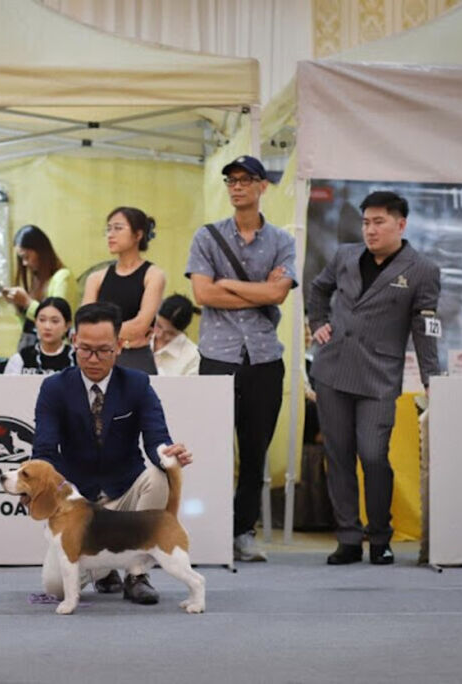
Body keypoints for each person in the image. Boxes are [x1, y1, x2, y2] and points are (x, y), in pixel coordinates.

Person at [308, 190, 441, 566]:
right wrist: (318, 322)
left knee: (373, 455)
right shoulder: (345, 255)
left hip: (379, 377)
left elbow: (425, 328)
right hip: (332, 370)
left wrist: (432, 378)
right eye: (366, 222)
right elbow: (318, 289)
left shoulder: (422, 269)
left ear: (401, 224)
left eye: (379, 222)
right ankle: (349, 538)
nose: (370, 230)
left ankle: (380, 537)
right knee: (338, 457)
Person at [31, 302, 192, 605]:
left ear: (119, 345)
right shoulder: (54, 388)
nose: (93, 359)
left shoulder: (138, 384)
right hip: (79, 505)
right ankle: (104, 570)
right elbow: (45, 450)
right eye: (85, 349)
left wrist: (168, 454)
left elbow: (156, 437)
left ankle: (135, 574)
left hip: (125, 493)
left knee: (158, 477)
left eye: (103, 351)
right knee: (55, 588)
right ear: (74, 341)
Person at [185, 155, 297, 563]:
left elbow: (278, 294)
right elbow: (203, 294)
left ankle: (242, 531)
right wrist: (256, 289)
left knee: (254, 451)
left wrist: (228, 283)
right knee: (211, 449)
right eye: (231, 180)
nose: (237, 187)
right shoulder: (207, 236)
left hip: (264, 358)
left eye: (245, 180)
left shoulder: (282, 240)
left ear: (263, 186)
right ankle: (207, 528)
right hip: (218, 356)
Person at [82, 207, 165, 374]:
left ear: (138, 235)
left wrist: (99, 333)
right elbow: (85, 324)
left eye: (118, 228)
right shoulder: (96, 278)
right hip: (98, 358)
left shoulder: (153, 275)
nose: (110, 234)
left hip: (136, 358)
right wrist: (120, 337)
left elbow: (140, 325)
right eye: (108, 229)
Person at [2, 225, 76, 352]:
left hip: (55, 352)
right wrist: (19, 306)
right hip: (33, 349)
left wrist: (27, 302)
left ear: (41, 251)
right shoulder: (37, 279)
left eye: (26, 257)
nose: (24, 263)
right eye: (21, 259)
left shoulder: (63, 277)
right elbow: (30, 327)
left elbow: (57, 319)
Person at [2, 297, 74, 375]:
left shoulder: (76, 358)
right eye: (42, 320)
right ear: (35, 322)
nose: (47, 327)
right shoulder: (21, 358)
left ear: (67, 325)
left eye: (54, 321)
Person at [152, 294, 201, 377]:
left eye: (170, 333)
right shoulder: (140, 336)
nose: (160, 335)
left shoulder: (192, 355)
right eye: (158, 326)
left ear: (181, 331)